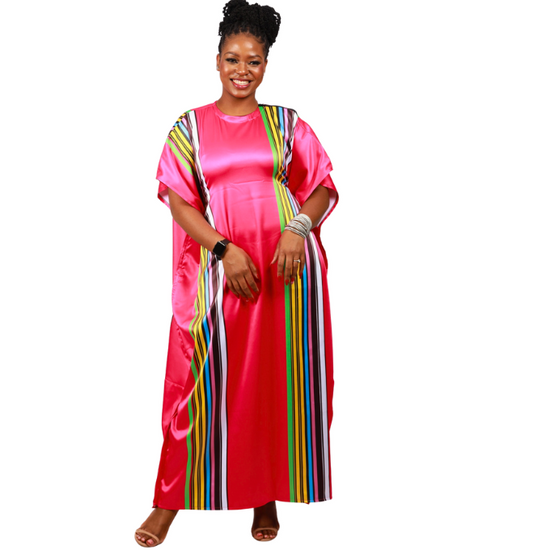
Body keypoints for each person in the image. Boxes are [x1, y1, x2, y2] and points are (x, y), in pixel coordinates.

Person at [135, 0, 339, 545]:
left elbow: (321, 186)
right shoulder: (190, 127)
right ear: (217, 60)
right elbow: (179, 201)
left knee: (273, 382)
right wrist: (224, 249)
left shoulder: (287, 123)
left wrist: (297, 229)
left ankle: (264, 495)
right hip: (220, 271)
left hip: (286, 274)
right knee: (201, 382)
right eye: (233, 59)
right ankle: (167, 501)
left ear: (266, 64)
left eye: (254, 60)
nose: (242, 70)